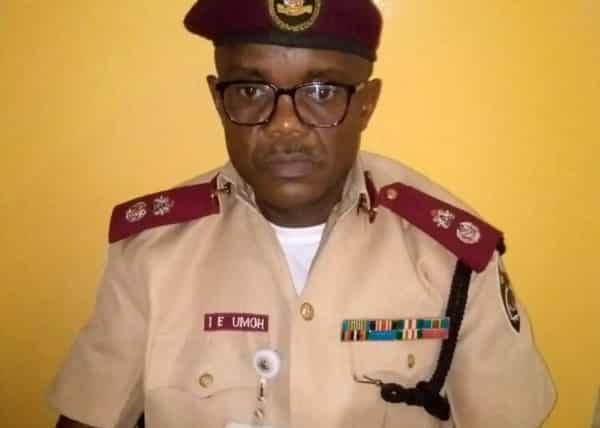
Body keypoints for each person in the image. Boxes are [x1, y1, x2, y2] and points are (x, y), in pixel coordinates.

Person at [49, 1, 555, 427]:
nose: (285, 126)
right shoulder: (151, 255)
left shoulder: (450, 259)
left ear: (366, 104)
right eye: (251, 91)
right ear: (218, 101)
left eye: (321, 92)